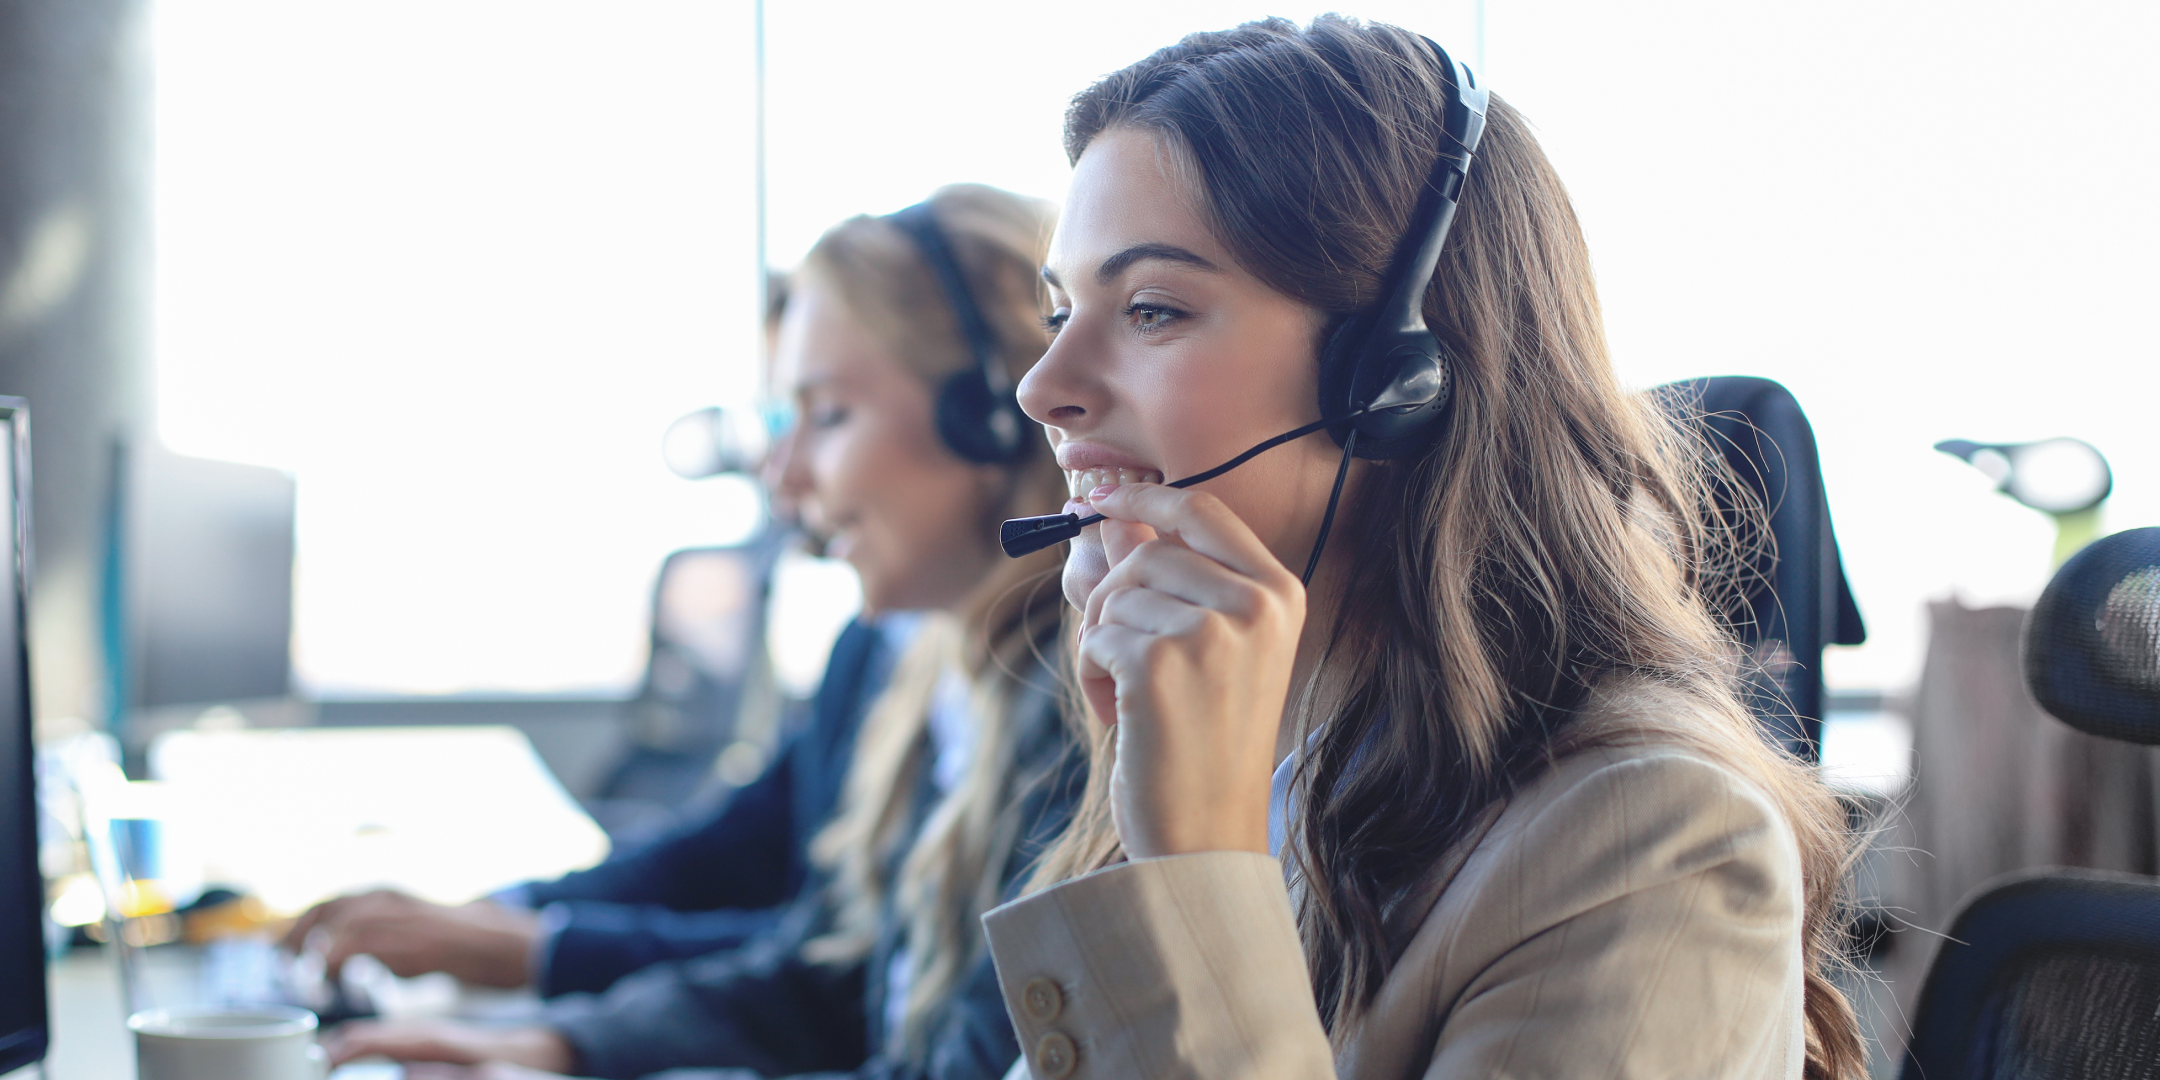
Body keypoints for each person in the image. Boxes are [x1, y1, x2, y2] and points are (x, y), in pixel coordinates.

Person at [982, 17, 1864, 1080]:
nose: (1044, 389)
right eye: (1059, 311)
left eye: (1153, 309)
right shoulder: (1266, 758)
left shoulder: (1652, 846)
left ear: (1392, 385)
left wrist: (1198, 869)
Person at [329, 182, 1083, 1080]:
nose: (781, 472)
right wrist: (556, 1047)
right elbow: (827, 976)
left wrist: (545, 998)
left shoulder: (1086, 714)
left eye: (829, 413)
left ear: (992, 416)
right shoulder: (924, 676)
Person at [282, 274, 908, 1001]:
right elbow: (727, 859)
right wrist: (498, 918)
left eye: (827, 414)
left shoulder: (1020, 692)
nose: (781, 471)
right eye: (778, 420)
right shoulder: (871, 647)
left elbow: (831, 967)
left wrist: (538, 958)